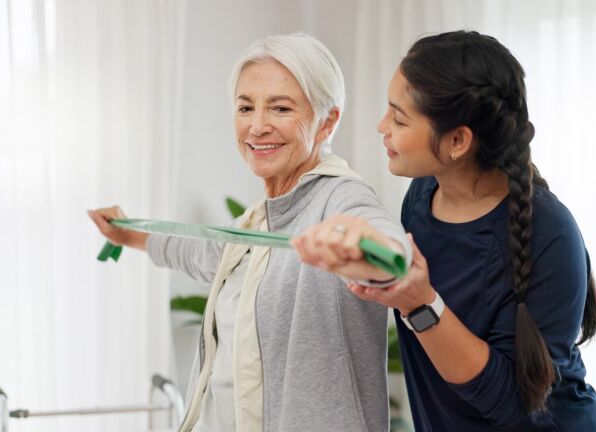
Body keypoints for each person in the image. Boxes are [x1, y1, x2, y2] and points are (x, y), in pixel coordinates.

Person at [88, 33, 410, 432]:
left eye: (280, 108)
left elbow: (387, 248)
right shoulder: (256, 222)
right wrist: (130, 235)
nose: (257, 127)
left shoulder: (339, 197)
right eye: (245, 107)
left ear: (327, 122)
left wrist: (369, 250)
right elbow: (199, 251)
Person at [293, 31, 596, 431]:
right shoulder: (421, 196)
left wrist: (421, 305)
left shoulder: (552, 235)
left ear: (457, 140)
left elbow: (515, 405)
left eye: (399, 118)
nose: (381, 126)